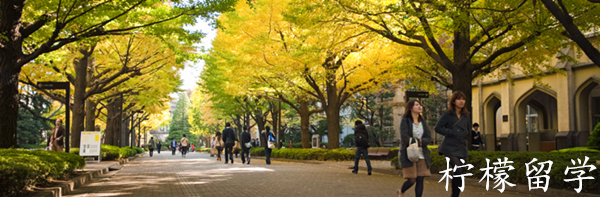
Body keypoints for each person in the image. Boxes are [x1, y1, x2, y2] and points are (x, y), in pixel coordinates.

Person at [435, 91, 472, 197]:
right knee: (458, 169)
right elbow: (437, 127)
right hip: (450, 147)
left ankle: (455, 194)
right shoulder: (448, 114)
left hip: (461, 146)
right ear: (454, 101)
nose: (461, 101)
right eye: (459, 99)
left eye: (463, 99)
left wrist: (466, 133)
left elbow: (468, 129)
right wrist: (452, 132)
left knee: (460, 173)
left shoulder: (466, 115)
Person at [398, 100, 432, 197]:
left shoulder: (422, 121)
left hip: (422, 153)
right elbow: (404, 136)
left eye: (420, 105)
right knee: (412, 179)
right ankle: (401, 191)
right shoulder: (405, 120)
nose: (419, 106)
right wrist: (417, 141)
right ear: (411, 108)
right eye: (416, 105)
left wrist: (422, 141)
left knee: (420, 178)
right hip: (410, 153)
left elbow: (428, 137)